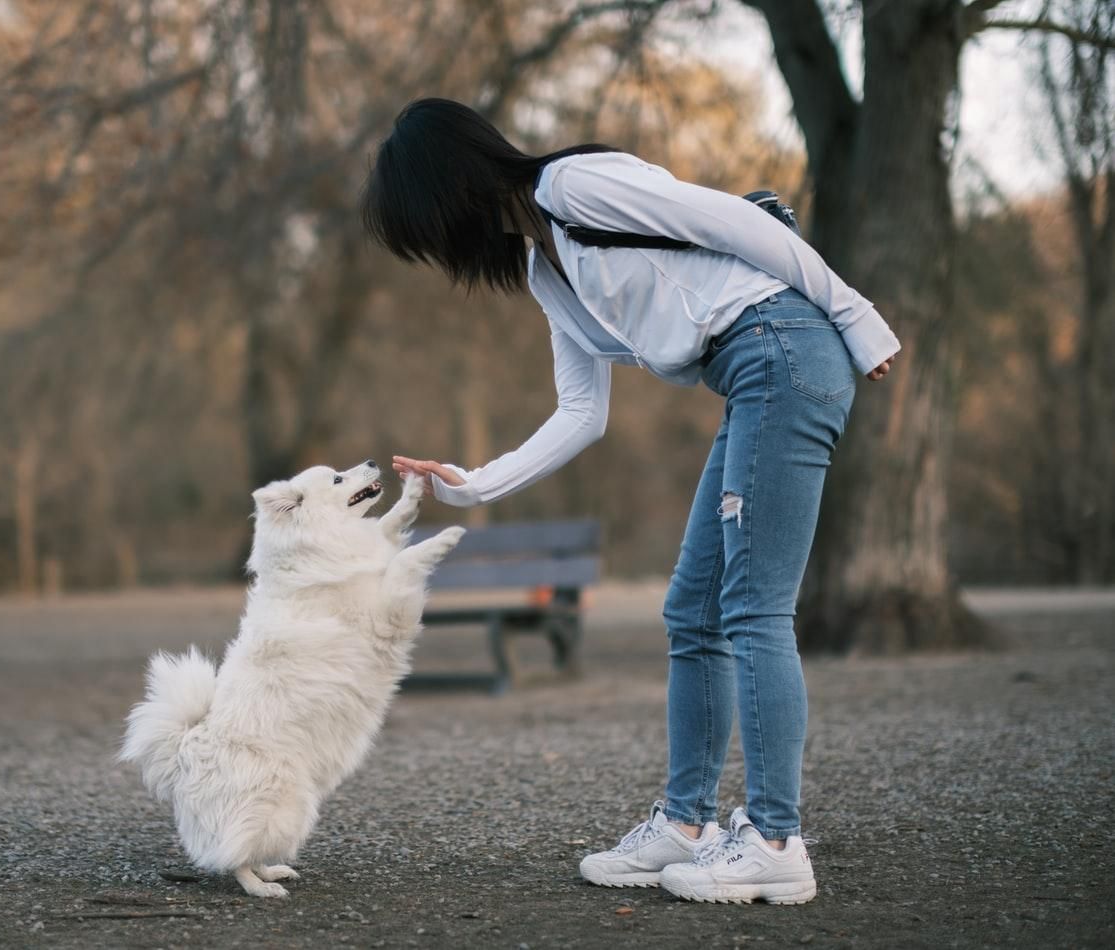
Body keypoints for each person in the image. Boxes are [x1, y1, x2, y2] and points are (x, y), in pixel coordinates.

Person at [360, 98, 899, 905]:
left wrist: (857, 316)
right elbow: (583, 411)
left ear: (446, 189)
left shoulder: (574, 186)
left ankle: (775, 842)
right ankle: (686, 824)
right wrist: (471, 483)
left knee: (752, 607)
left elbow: (733, 222)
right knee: (693, 611)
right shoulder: (545, 266)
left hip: (781, 353)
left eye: (423, 230)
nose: (436, 251)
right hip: (754, 371)